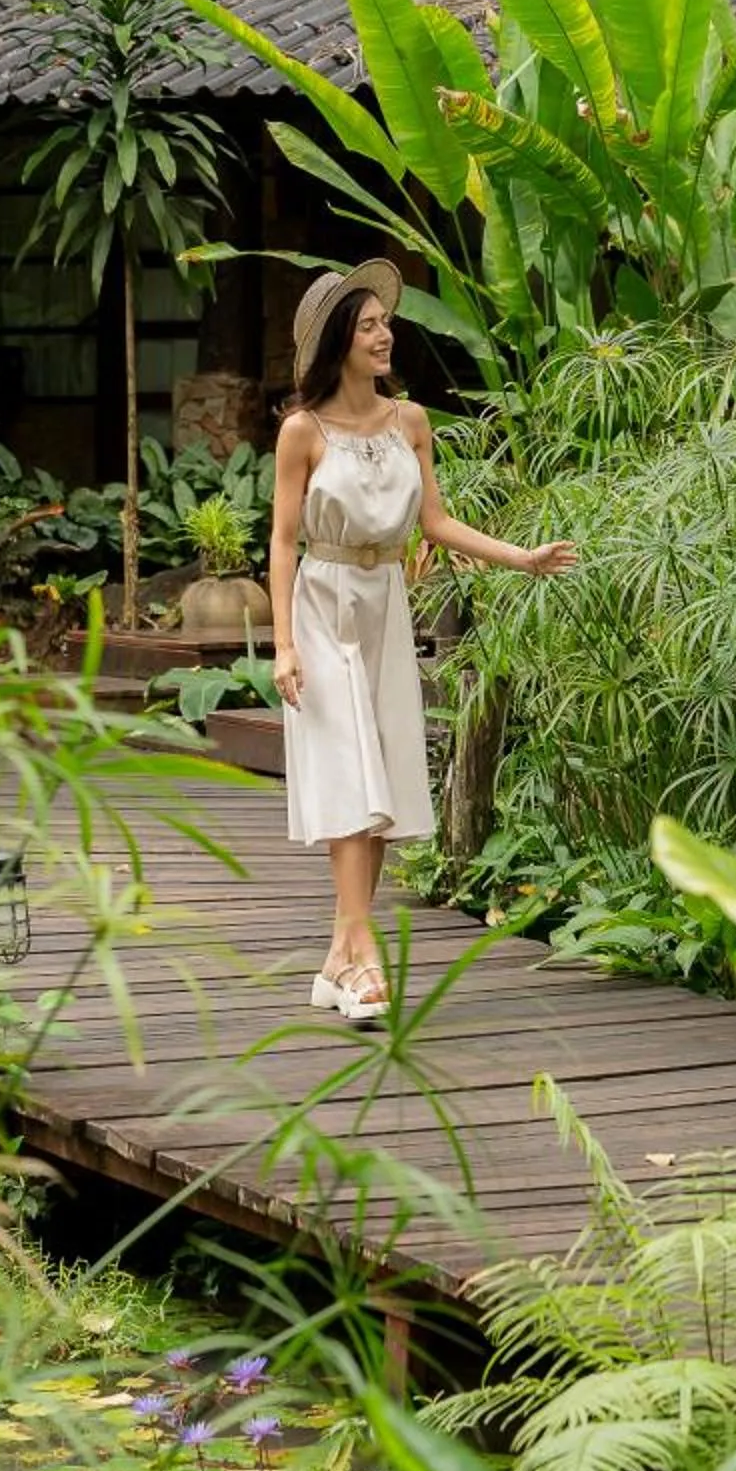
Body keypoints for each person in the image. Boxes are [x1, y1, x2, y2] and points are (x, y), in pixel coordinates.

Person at [268, 261, 575, 1022]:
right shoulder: (301, 432)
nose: (385, 334)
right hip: (323, 601)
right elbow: (279, 543)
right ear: (340, 339)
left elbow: (435, 523)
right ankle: (363, 954)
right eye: (369, 324)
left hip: (384, 606)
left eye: (384, 323)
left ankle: (341, 955)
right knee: (349, 770)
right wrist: (282, 643)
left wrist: (521, 558)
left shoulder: (410, 422)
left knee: (382, 773)